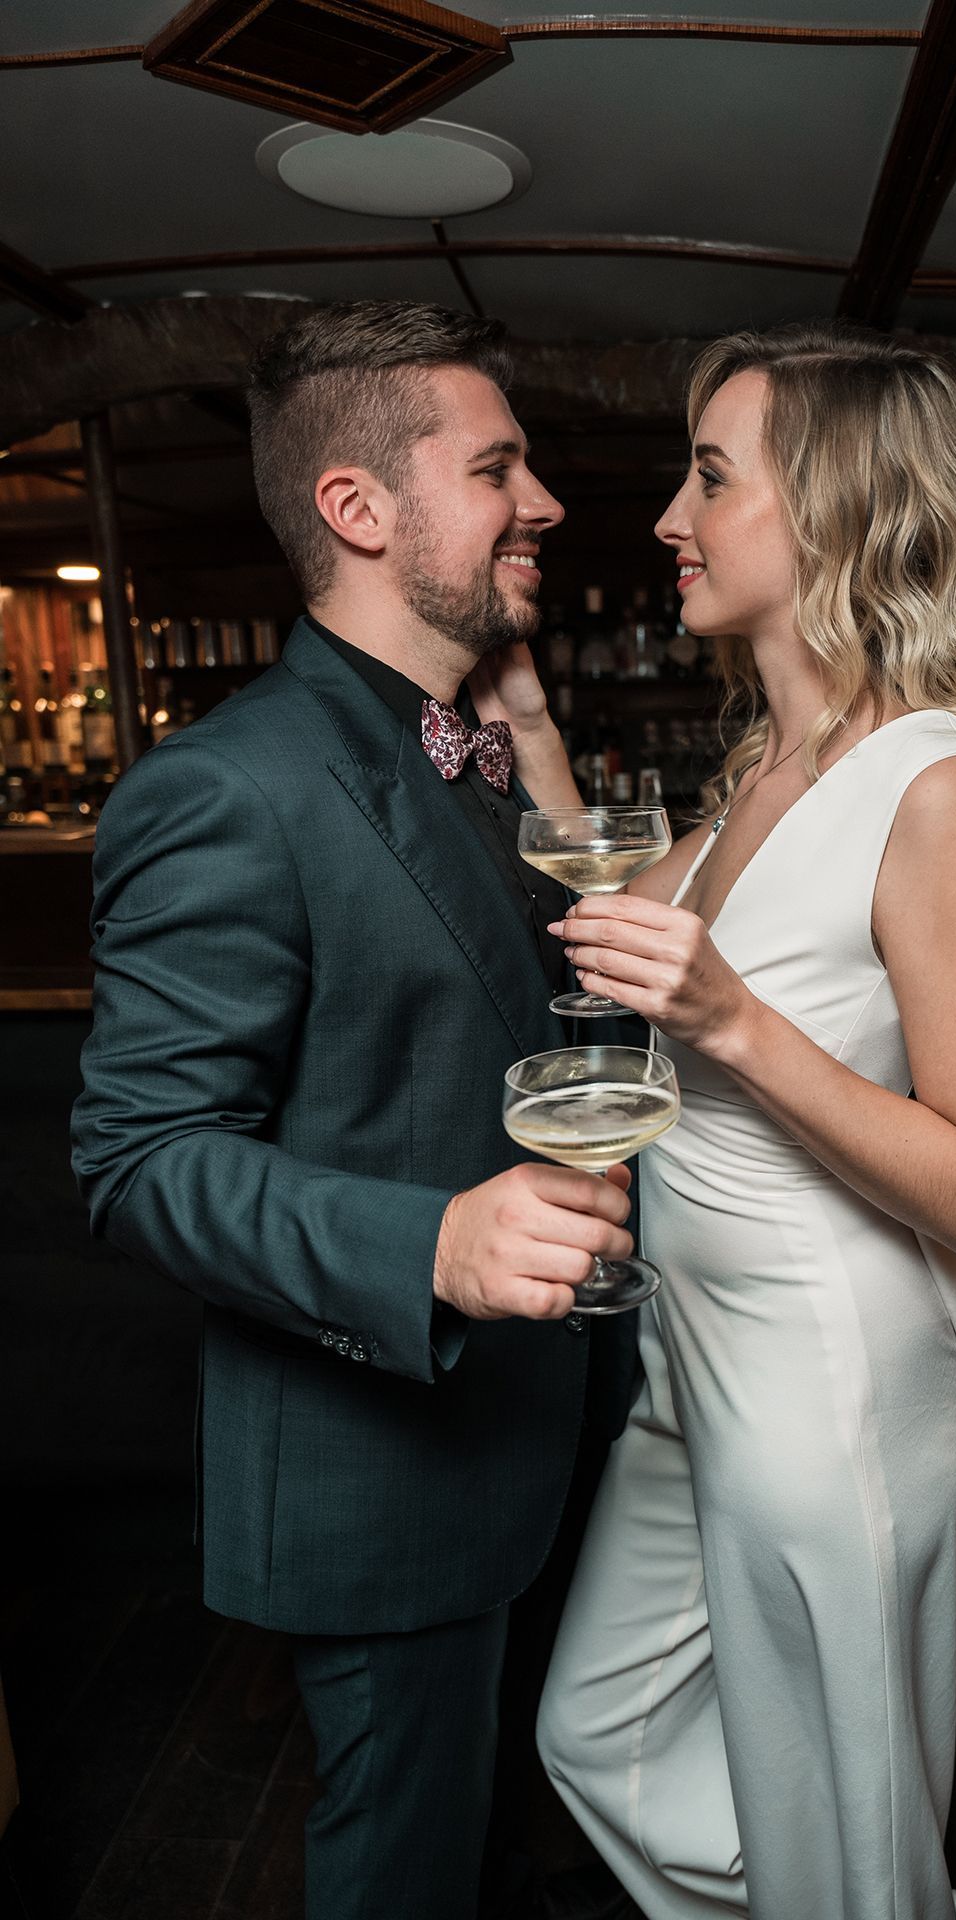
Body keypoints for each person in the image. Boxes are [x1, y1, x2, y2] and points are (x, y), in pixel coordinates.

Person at [70, 301, 640, 1920]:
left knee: (493, 1846)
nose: (540, 506)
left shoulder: (456, 748)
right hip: (381, 1467)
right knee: (400, 1870)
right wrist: (434, 1245)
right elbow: (137, 1160)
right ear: (359, 509)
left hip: (529, 1433)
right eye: (498, 470)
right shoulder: (228, 788)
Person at [536, 324, 956, 1920]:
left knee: (839, 1826)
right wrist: (520, 718)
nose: (669, 521)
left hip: (829, 1389)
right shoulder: (764, 760)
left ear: (832, 510)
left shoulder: (935, 786)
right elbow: (655, 913)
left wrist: (731, 1028)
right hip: (696, 1360)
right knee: (596, 1732)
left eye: (710, 477)